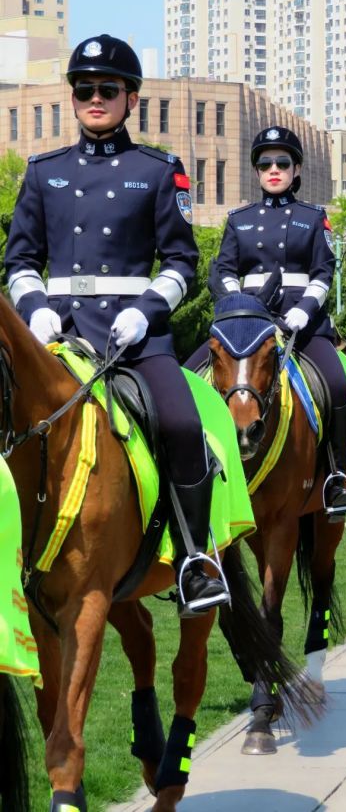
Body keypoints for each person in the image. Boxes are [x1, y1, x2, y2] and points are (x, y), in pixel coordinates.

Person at [4, 34, 226, 618]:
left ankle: (195, 561)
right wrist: (36, 308)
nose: (95, 99)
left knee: (181, 422)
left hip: (133, 339)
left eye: (108, 89)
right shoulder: (44, 172)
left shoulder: (157, 170)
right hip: (57, 335)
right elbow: (19, 261)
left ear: (131, 99)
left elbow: (182, 262)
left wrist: (145, 312)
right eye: (84, 90)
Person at [191, 125, 346, 519]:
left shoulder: (314, 218)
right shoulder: (239, 219)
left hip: (304, 322)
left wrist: (302, 312)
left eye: (283, 162)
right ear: (257, 171)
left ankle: (336, 478)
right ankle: (192, 474)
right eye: (266, 164)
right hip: (247, 324)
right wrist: (241, 302)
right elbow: (225, 269)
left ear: (296, 169)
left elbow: (324, 273)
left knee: (338, 383)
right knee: (188, 377)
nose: (274, 170)